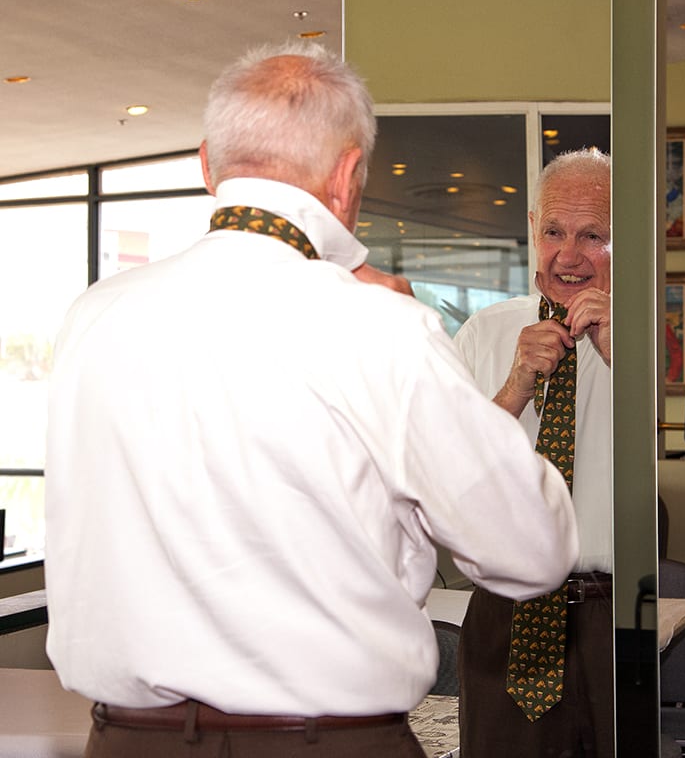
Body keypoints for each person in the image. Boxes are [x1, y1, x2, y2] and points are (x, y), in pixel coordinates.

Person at [44, 41, 578, 758]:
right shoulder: (378, 325)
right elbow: (531, 551)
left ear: (207, 164)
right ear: (348, 173)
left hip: (124, 740)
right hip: (322, 744)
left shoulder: (93, 316)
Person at [454, 148, 613, 757]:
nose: (568, 255)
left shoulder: (651, 341)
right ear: (532, 228)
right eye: (554, 231)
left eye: (592, 235)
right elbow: (452, 473)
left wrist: (622, 351)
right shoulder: (483, 334)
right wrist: (517, 382)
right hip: (505, 615)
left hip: (614, 613)